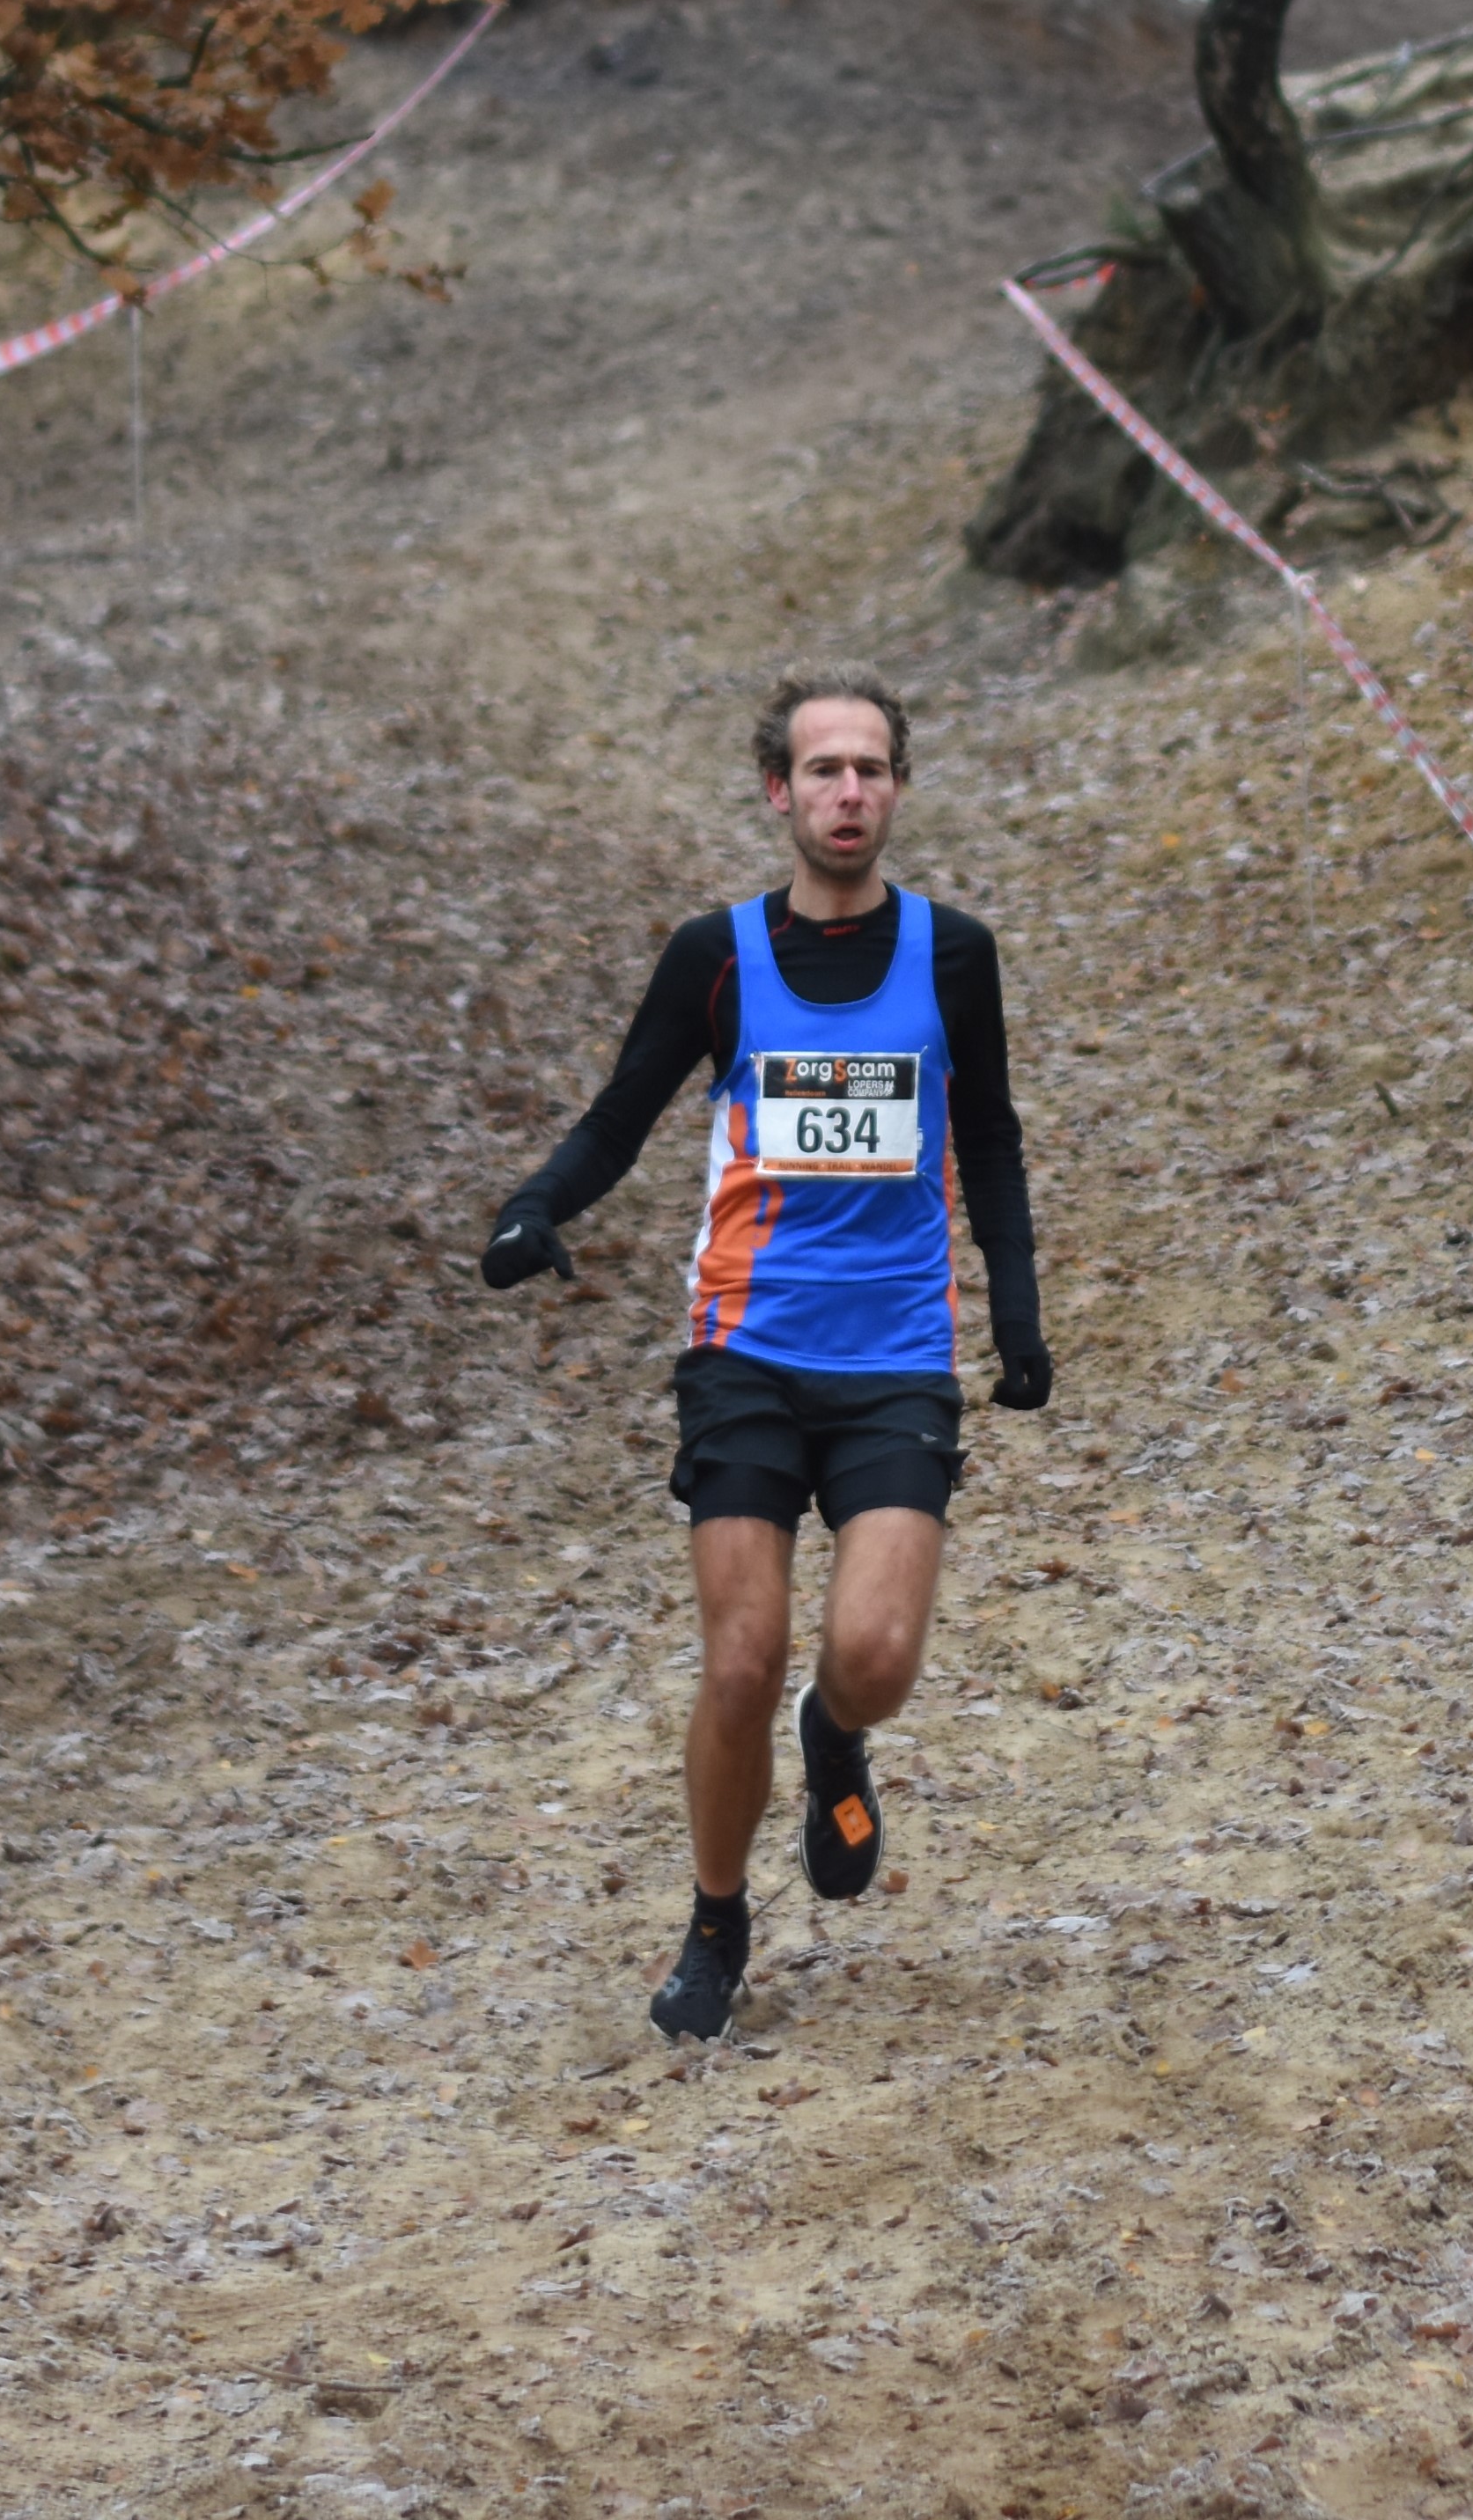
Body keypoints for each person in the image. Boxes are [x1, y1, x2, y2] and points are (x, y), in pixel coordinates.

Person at [483, 669, 1048, 2041]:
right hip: (745, 1348)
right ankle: (717, 1919)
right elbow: (622, 1114)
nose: (847, 792)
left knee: (875, 1653)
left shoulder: (954, 954)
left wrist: (1019, 1312)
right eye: (822, 770)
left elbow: (991, 1141)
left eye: (869, 768)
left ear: (896, 789)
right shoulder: (716, 956)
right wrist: (536, 1204)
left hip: (896, 1355)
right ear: (778, 793)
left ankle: (835, 1736)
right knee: (738, 1658)